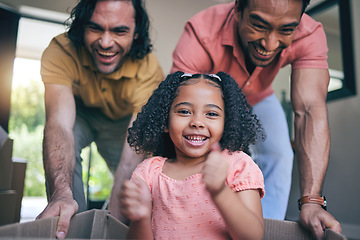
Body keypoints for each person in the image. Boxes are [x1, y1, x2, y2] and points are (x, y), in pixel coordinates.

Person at [171, 0, 342, 238]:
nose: (269, 43)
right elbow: (178, 110)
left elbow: (310, 111)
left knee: (280, 152)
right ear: (238, 10)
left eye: (286, 30)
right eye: (259, 25)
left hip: (260, 96)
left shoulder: (309, 33)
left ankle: (266, 227)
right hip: (209, 99)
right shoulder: (201, 34)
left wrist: (312, 201)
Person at [36, 0, 163, 239]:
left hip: (121, 125)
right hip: (78, 115)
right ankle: (68, 222)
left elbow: (128, 163)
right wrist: (61, 193)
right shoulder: (60, 51)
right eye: (95, 28)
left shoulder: (149, 70)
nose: (105, 43)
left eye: (119, 31)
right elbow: (59, 124)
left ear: (136, 34)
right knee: (64, 144)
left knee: (135, 174)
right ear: (82, 26)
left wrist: (109, 229)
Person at [119, 71, 265, 239]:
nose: (197, 122)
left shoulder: (237, 165)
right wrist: (141, 219)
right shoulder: (149, 172)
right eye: (184, 111)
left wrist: (220, 191)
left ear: (227, 123)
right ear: (165, 121)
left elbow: (253, 236)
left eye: (211, 114)